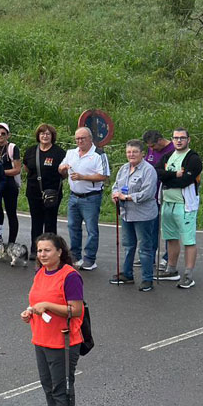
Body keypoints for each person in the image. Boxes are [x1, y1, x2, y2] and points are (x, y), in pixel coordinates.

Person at [21, 232, 84, 406]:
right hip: (41, 338)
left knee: (61, 389)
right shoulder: (40, 273)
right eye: (39, 250)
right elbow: (36, 301)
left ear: (59, 251)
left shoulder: (70, 276)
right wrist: (30, 311)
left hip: (63, 341)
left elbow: (76, 310)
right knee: (48, 385)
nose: (42, 254)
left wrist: (47, 305)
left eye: (47, 250)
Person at [155, 128, 203, 289]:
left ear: (188, 139)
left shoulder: (193, 158)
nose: (179, 140)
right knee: (171, 238)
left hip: (185, 205)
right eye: (176, 138)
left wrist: (168, 177)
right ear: (172, 139)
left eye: (182, 138)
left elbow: (186, 181)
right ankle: (171, 269)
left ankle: (188, 275)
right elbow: (158, 173)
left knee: (188, 240)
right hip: (167, 203)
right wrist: (175, 175)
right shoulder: (167, 156)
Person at [110, 140, 159, 291]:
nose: (131, 155)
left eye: (134, 152)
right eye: (129, 152)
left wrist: (126, 197)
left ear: (142, 153)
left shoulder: (148, 170)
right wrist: (115, 195)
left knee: (145, 247)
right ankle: (127, 274)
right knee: (128, 245)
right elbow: (116, 186)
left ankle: (147, 279)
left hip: (143, 215)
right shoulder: (124, 168)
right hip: (126, 214)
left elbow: (148, 193)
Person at [59, 127, 110, 271]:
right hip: (74, 196)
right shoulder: (71, 153)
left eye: (83, 138)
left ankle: (90, 259)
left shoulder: (99, 154)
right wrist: (62, 168)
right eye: (77, 139)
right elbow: (60, 168)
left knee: (91, 229)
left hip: (91, 197)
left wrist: (83, 177)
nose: (80, 141)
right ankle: (75, 256)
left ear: (90, 138)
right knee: (73, 227)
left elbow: (104, 176)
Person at [23, 124, 67, 253]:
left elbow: (64, 174)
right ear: (38, 135)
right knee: (36, 223)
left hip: (52, 194)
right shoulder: (31, 151)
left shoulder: (59, 153)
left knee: (50, 224)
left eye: (48, 134)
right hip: (34, 193)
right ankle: (35, 250)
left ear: (52, 136)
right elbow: (27, 168)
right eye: (42, 133)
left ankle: (51, 250)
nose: (45, 136)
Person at [143, 129, 175, 270]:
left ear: (161, 140)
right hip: (152, 196)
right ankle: (150, 256)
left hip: (168, 195)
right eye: (149, 147)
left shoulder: (173, 149)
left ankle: (167, 258)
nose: (151, 149)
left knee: (168, 228)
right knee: (152, 228)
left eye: (153, 146)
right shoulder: (151, 150)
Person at [0, 123, 22, 246]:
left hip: (10, 185)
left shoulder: (12, 148)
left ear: (8, 135)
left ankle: (11, 243)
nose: (0, 135)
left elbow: (17, 169)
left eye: (3, 134)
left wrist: (1, 173)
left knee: (11, 213)